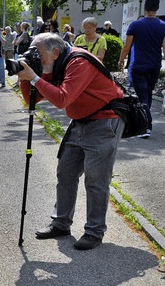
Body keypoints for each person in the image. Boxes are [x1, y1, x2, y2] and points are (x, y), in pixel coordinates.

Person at [15, 32, 124, 250]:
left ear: (55, 52)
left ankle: (94, 231)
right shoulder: (55, 63)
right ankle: (61, 223)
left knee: (95, 180)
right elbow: (32, 100)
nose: (37, 59)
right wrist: (24, 78)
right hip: (80, 121)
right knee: (65, 172)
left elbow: (62, 99)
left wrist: (35, 78)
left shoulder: (78, 62)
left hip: (104, 121)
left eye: (39, 55)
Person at [118, 0, 165, 138]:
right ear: (157, 8)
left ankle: (146, 127)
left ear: (145, 9)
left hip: (139, 65)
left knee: (142, 96)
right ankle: (145, 123)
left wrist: (121, 60)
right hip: (155, 65)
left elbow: (127, 46)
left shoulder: (135, 25)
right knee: (147, 94)